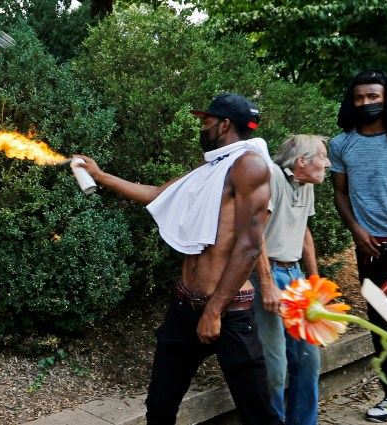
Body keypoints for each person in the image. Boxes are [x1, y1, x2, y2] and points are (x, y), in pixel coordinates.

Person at [74, 93, 281, 424]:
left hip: (229, 313)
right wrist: (101, 176)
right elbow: (158, 194)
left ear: (224, 124)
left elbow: (249, 245)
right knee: (160, 405)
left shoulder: (249, 166)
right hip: (185, 306)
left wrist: (214, 311)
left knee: (257, 414)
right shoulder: (212, 166)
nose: (202, 126)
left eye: (206, 121)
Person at [329, 69, 387, 423]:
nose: (366, 103)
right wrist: (356, 230)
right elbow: (340, 193)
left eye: (373, 96)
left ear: (386, 98)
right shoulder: (341, 144)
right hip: (372, 249)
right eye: (360, 98)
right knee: (384, 321)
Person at [251, 134, 330, 425]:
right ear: (301, 162)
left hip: (295, 275)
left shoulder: (307, 183)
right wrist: (267, 281)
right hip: (266, 274)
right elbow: (255, 232)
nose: (328, 163)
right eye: (323, 156)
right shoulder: (271, 177)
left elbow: (303, 230)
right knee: (276, 365)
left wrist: (315, 280)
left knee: (309, 360)